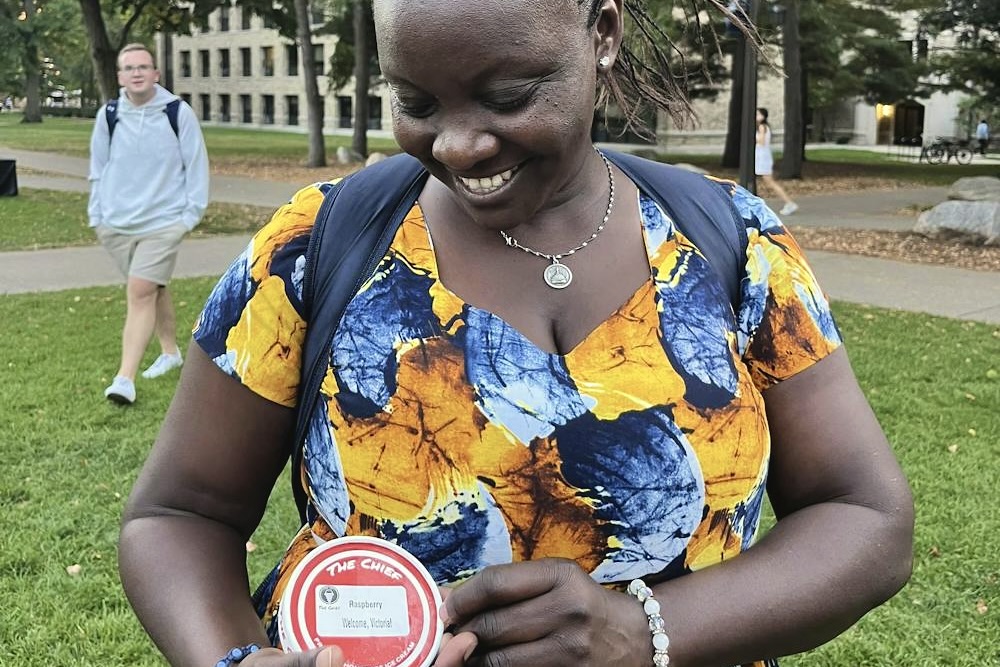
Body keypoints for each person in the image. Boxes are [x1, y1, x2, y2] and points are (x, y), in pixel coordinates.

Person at [119, 2, 914, 666]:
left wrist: (645, 631)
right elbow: (179, 515)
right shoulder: (314, 245)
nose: (458, 145)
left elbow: (866, 516)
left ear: (600, 34)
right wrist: (232, 660)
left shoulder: (731, 241)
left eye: (507, 95)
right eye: (418, 102)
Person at [88, 43, 209, 405]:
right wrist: (97, 217)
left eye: (143, 66)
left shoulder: (177, 112)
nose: (137, 73)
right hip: (115, 224)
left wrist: (190, 216)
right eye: (129, 68)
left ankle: (124, 379)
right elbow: (98, 168)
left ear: (156, 73)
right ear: (120, 76)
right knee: (152, 288)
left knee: (140, 290)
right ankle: (170, 352)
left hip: (163, 223)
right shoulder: (109, 115)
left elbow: (196, 164)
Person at [754, 108, 798, 216]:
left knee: (770, 182)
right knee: (763, 182)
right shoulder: (762, 127)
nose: (756, 116)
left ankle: (789, 202)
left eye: (758, 114)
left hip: (763, 158)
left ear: (763, 116)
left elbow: (762, 141)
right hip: (761, 157)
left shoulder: (762, 127)